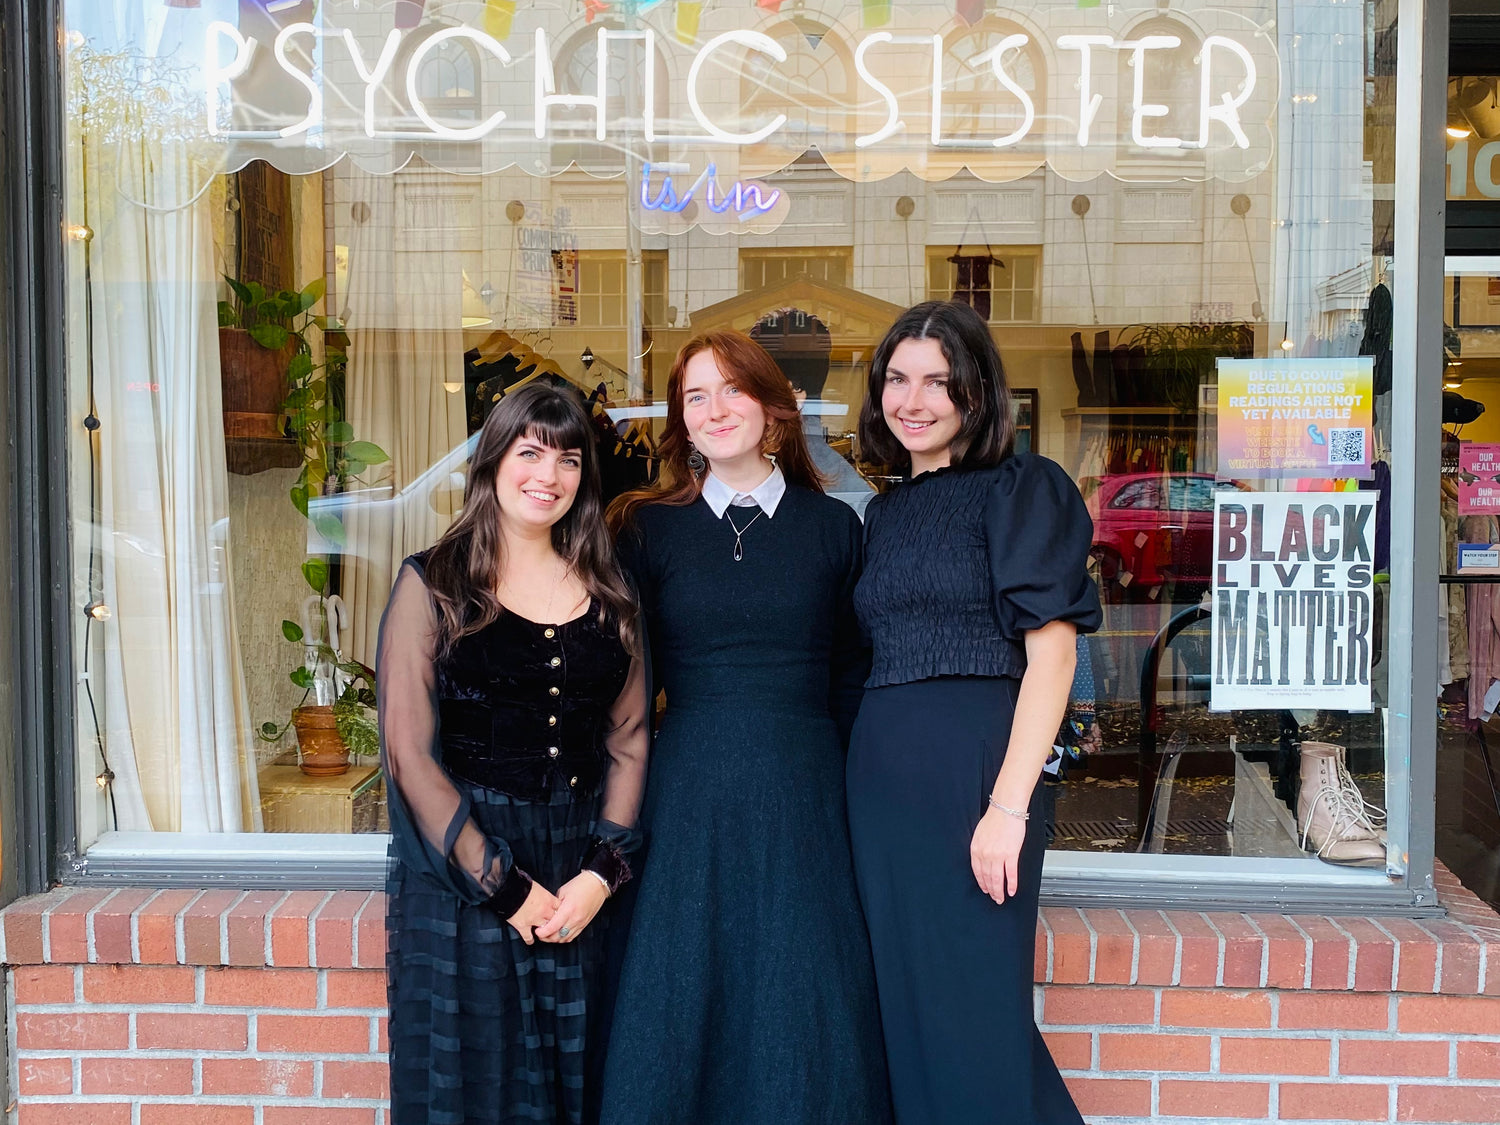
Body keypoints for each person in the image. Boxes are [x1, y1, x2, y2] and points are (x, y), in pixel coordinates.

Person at [600, 330, 891, 1125]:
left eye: (733, 390)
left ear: (774, 408)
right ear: (680, 419)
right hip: (689, 789)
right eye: (696, 395)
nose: (716, 409)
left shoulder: (835, 528)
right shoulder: (645, 527)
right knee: (685, 987)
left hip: (804, 790)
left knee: (799, 991)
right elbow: (627, 687)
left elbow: (850, 676)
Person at [848, 300, 1102, 1125]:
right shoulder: (881, 514)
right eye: (897, 378)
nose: (912, 399)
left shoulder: (1022, 489)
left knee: (972, 1015)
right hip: (883, 787)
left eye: (937, 381)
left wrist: (1006, 807)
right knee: (912, 1015)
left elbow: (1054, 657)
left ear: (977, 394)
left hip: (975, 778)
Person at [378, 382, 649, 1124]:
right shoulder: (434, 582)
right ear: (494, 462)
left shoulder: (610, 588)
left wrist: (602, 869)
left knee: (578, 1080)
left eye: (567, 459)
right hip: (466, 868)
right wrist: (500, 883)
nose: (548, 475)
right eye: (530, 452)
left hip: (576, 868)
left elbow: (628, 739)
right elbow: (409, 753)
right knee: (477, 1084)